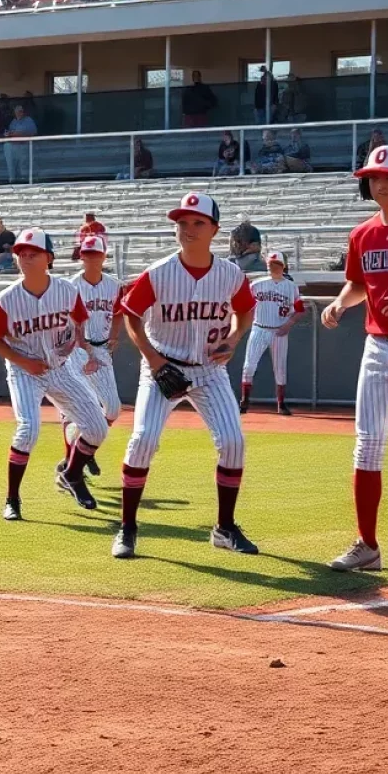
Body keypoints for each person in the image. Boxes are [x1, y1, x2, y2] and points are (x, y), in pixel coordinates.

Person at [114, 192, 257, 560]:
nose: (188, 229)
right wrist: (154, 360)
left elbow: (245, 311)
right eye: (182, 223)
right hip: (164, 367)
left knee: (233, 442)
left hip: (209, 371)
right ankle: (127, 528)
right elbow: (131, 314)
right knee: (142, 439)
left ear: (215, 230)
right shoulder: (159, 273)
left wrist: (235, 337)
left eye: (197, 223)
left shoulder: (230, 274)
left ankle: (225, 528)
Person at [322, 143, 388, 572]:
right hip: (378, 346)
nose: (379, 184)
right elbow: (357, 284)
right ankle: (368, 547)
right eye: (373, 178)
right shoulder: (362, 234)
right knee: (367, 446)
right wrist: (339, 303)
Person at [0, 229, 109, 520]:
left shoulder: (66, 291)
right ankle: (12, 499)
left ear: (49, 259)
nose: (26, 259)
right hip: (24, 370)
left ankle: (72, 475)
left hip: (59, 368)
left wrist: (78, 341)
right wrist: (23, 362)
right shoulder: (6, 299)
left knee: (97, 428)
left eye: (33, 254)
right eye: (21, 255)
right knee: (28, 429)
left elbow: (79, 321)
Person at [57, 235, 123, 483]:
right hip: (76, 350)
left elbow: (119, 312)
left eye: (96, 253)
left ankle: (86, 447)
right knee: (78, 408)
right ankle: (73, 462)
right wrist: (85, 350)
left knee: (113, 408)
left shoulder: (114, 285)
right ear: (81, 255)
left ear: (104, 256)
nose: (91, 258)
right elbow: (68, 323)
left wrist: (115, 336)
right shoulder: (71, 286)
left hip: (102, 348)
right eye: (87, 253)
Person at [240, 251, 306, 416]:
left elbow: (299, 310)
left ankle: (281, 403)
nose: (273, 267)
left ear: (283, 266)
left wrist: (288, 325)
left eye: (277, 264)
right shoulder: (257, 284)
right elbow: (244, 304)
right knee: (249, 366)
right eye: (271, 264)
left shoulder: (291, 287)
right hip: (259, 327)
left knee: (280, 369)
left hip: (279, 331)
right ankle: (244, 401)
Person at [4, 105, 37, 183]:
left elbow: (33, 132)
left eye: (21, 111)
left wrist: (17, 134)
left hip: (25, 146)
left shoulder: (28, 120)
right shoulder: (13, 122)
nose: (19, 113)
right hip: (13, 146)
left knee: (23, 166)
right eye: (17, 111)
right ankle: (12, 180)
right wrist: (9, 134)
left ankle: (24, 181)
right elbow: (10, 133)